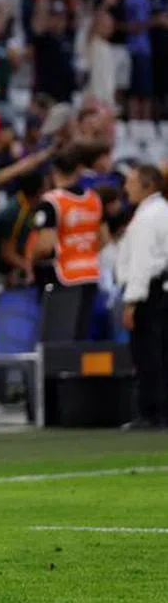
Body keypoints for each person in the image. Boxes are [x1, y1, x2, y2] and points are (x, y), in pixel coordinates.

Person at [29, 147, 106, 341]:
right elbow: (103, 239)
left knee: (58, 342)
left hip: (63, 278)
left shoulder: (52, 202)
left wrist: (30, 257)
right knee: (80, 338)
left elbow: (46, 245)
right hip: (90, 274)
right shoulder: (93, 199)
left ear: (54, 171)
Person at [116, 164, 168, 430]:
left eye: (132, 182)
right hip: (161, 290)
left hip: (149, 293)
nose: (127, 187)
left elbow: (142, 263)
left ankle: (151, 412)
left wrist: (132, 301)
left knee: (147, 354)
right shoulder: (161, 211)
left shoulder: (147, 217)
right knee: (160, 352)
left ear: (148, 184)